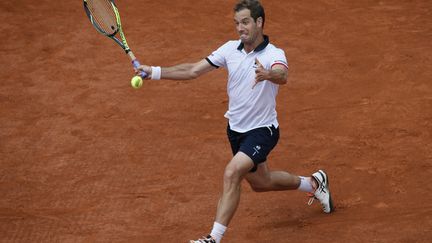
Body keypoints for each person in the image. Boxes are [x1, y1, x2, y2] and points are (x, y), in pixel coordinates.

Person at [135, 0, 334, 242]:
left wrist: (268, 74)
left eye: (245, 22)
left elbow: (283, 75)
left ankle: (213, 238)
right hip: (236, 130)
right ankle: (313, 183)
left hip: (263, 130)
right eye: (237, 23)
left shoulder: (274, 54)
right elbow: (192, 71)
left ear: (259, 22)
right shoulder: (230, 49)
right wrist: (154, 72)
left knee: (231, 173)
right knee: (262, 182)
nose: (240, 28)